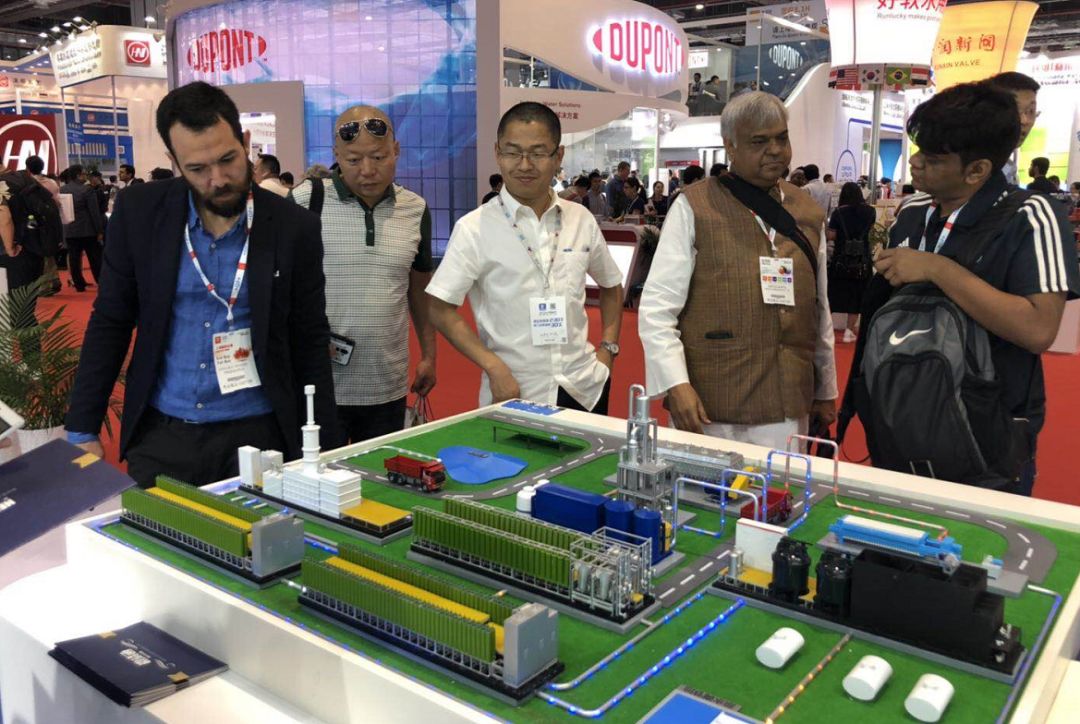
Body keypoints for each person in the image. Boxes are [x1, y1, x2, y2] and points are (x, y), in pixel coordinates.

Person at [64, 81, 338, 487]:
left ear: (246, 142)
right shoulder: (139, 212)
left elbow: (310, 337)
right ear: (175, 162)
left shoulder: (293, 227)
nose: (218, 179)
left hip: (260, 433)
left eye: (228, 159)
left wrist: (326, 446)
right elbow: (111, 320)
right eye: (198, 169)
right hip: (163, 432)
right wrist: (82, 426)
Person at [866, 82, 1078, 495]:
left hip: (986, 439)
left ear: (977, 170)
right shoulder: (912, 213)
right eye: (919, 150)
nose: (916, 163)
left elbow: (1039, 329)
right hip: (898, 423)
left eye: (933, 158)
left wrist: (937, 269)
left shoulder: (1031, 216)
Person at [639, 91, 837, 449]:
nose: (775, 150)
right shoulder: (694, 206)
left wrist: (825, 389)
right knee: (700, 485)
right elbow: (657, 307)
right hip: (711, 404)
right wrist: (675, 384)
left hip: (787, 401)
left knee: (780, 484)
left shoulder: (806, 210)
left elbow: (819, 308)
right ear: (730, 146)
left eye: (782, 138)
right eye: (759, 142)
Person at [427, 102, 624, 413]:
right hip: (513, 392)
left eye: (538, 153)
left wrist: (608, 349)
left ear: (558, 156)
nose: (524, 165)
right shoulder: (474, 228)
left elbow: (611, 285)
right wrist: (493, 366)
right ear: (497, 153)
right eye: (513, 152)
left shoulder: (580, 219)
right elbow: (440, 308)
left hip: (585, 386)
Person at [289, 105, 437, 444]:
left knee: (378, 471)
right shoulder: (305, 201)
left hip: (387, 382)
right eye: (354, 160)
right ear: (336, 155)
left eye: (379, 157)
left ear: (396, 150)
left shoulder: (415, 209)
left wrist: (430, 356)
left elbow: (419, 291)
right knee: (319, 472)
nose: (368, 171)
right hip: (317, 384)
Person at [827, 182, 876, 343]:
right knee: (857, 295)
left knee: (834, 293)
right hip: (862, 260)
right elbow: (870, 232)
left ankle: (827, 329)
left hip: (841, 259)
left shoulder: (838, 212)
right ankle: (849, 331)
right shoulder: (871, 211)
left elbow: (831, 235)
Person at [984, 72, 1039, 187]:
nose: (1024, 121)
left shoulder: (1009, 170)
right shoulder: (967, 169)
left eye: (1031, 111)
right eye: (1015, 109)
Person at [59, 164, 104, 292]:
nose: (86, 176)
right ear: (78, 175)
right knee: (95, 258)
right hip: (87, 229)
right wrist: (99, 230)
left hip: (70, 229)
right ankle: (101, 281)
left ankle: (79, 284)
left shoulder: (62, 189)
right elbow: (94, 212)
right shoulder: (87, 190)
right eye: (84, 174)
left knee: (74, 258)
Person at [25, 155, 62, 295]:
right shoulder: (52, 183)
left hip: (34, 222)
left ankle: (45, 285)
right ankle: (54, 279)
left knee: (40, 253)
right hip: (52, 221)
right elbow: (57, 202)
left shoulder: (28, 184)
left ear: (28, 168)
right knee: (49, 251)